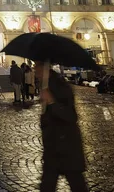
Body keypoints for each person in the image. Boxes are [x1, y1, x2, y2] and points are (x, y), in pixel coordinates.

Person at [37, 61, 88, 192]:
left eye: (37, 67)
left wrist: (52, 102)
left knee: (77, 185)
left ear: (45, 68)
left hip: (67, 148)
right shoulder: (46, 86)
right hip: (53, 149)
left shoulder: (61, 86)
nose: (35, 70)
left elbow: (71, 116)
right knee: (47, 186)